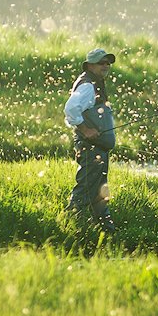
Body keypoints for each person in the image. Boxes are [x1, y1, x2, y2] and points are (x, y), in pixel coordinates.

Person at [64, 47, 118, 233]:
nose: (105, 66)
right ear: (89, 65)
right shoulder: (87, 85)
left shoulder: (95, 83)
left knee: (100, 192)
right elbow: (70, 109)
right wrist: (85, 129)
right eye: (101, 62)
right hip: (91, 148)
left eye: (108, 62)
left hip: (98, 149)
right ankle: (69, 225)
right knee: (85, 189)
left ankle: (107, 231)